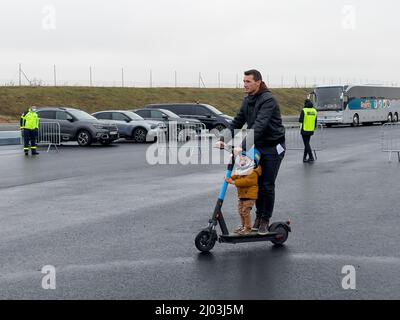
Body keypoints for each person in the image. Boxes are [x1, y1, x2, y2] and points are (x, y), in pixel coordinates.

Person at [215, 69, 286, 235]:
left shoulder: (268, 100)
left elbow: (259, 125)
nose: (244, 84)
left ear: (258, 82)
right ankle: (258, 217)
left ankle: (264, 219)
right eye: (244, 81)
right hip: (259, 146)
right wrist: (223, 139)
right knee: (255, 183)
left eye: (248, 81)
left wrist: (244, 146)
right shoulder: (248, 100)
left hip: (274, 146)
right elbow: (237, 121)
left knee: (267, 184)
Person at [225, 149, 262, 235]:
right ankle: (243, 226)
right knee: (241, 211)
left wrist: (233, 182)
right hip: (242, 196)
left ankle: (248, 228)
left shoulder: (253, 173)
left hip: (249, 196)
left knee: (245, 211)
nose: (242, 162)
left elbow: (246, 182)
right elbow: (237, 175)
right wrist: (231, 177)